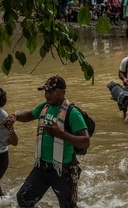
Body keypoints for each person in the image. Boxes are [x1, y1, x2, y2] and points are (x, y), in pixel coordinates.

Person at [13, 76, 90, 207]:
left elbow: (85, 141)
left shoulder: (73, 113)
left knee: (68, 206)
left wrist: (61, 134)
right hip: (42, 167)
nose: (47, 95)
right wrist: (14, 116)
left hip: (62, 169)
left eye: (51, 91)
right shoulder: (45, 107)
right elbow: (30, 115)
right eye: (46, 91)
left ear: (62, 92)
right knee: (23, 198)